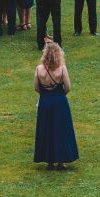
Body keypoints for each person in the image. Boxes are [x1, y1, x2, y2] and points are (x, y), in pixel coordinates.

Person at [33, 39, 79, 170]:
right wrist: (59, 94)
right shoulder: (62, 69)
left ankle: (49, 161)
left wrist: (45, 94)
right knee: (61, 129)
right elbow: (68, 87)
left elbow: (36, 87)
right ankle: (61, 161)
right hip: (59, 102)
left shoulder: (39, 69)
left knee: (46, 129)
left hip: (45, 102)